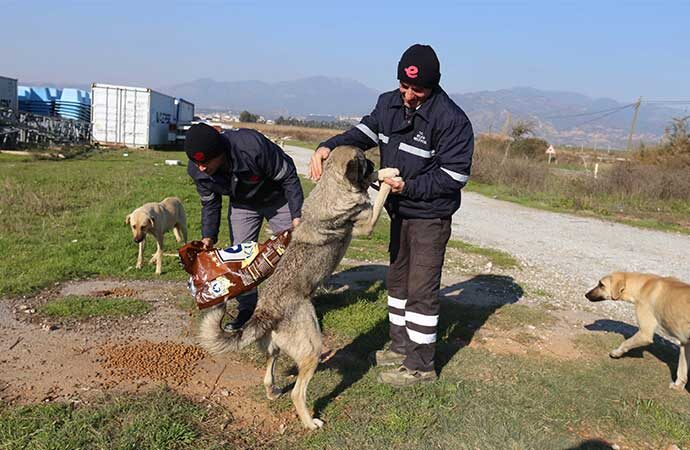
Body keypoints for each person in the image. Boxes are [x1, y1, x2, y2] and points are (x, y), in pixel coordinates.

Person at [308, 44, 474, 386]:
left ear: (433, 86)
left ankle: (421, 366)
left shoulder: (452, 120)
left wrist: (407, 186)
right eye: (405, 86)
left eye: (418, 90)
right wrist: (328, 145)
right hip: (400, 213)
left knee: (421, 289)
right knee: (397, 282)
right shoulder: (388, 103)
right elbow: (362, 133)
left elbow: (454, 177)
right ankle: (400, 348)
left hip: (430, 217)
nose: (410, 95)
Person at [186, 123, 304, 329]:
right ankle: (247, 311)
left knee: (292, 253)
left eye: (205, 162)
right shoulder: (198, 170)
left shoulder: (252, 147)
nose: (201, 168)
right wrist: (208, 237)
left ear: (219, 152)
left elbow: (288, 177)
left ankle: (294, 307)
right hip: (243, 204)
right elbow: (210, 203)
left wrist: (297, 216)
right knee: (240, 258)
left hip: (278, 199)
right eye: (197, 164)